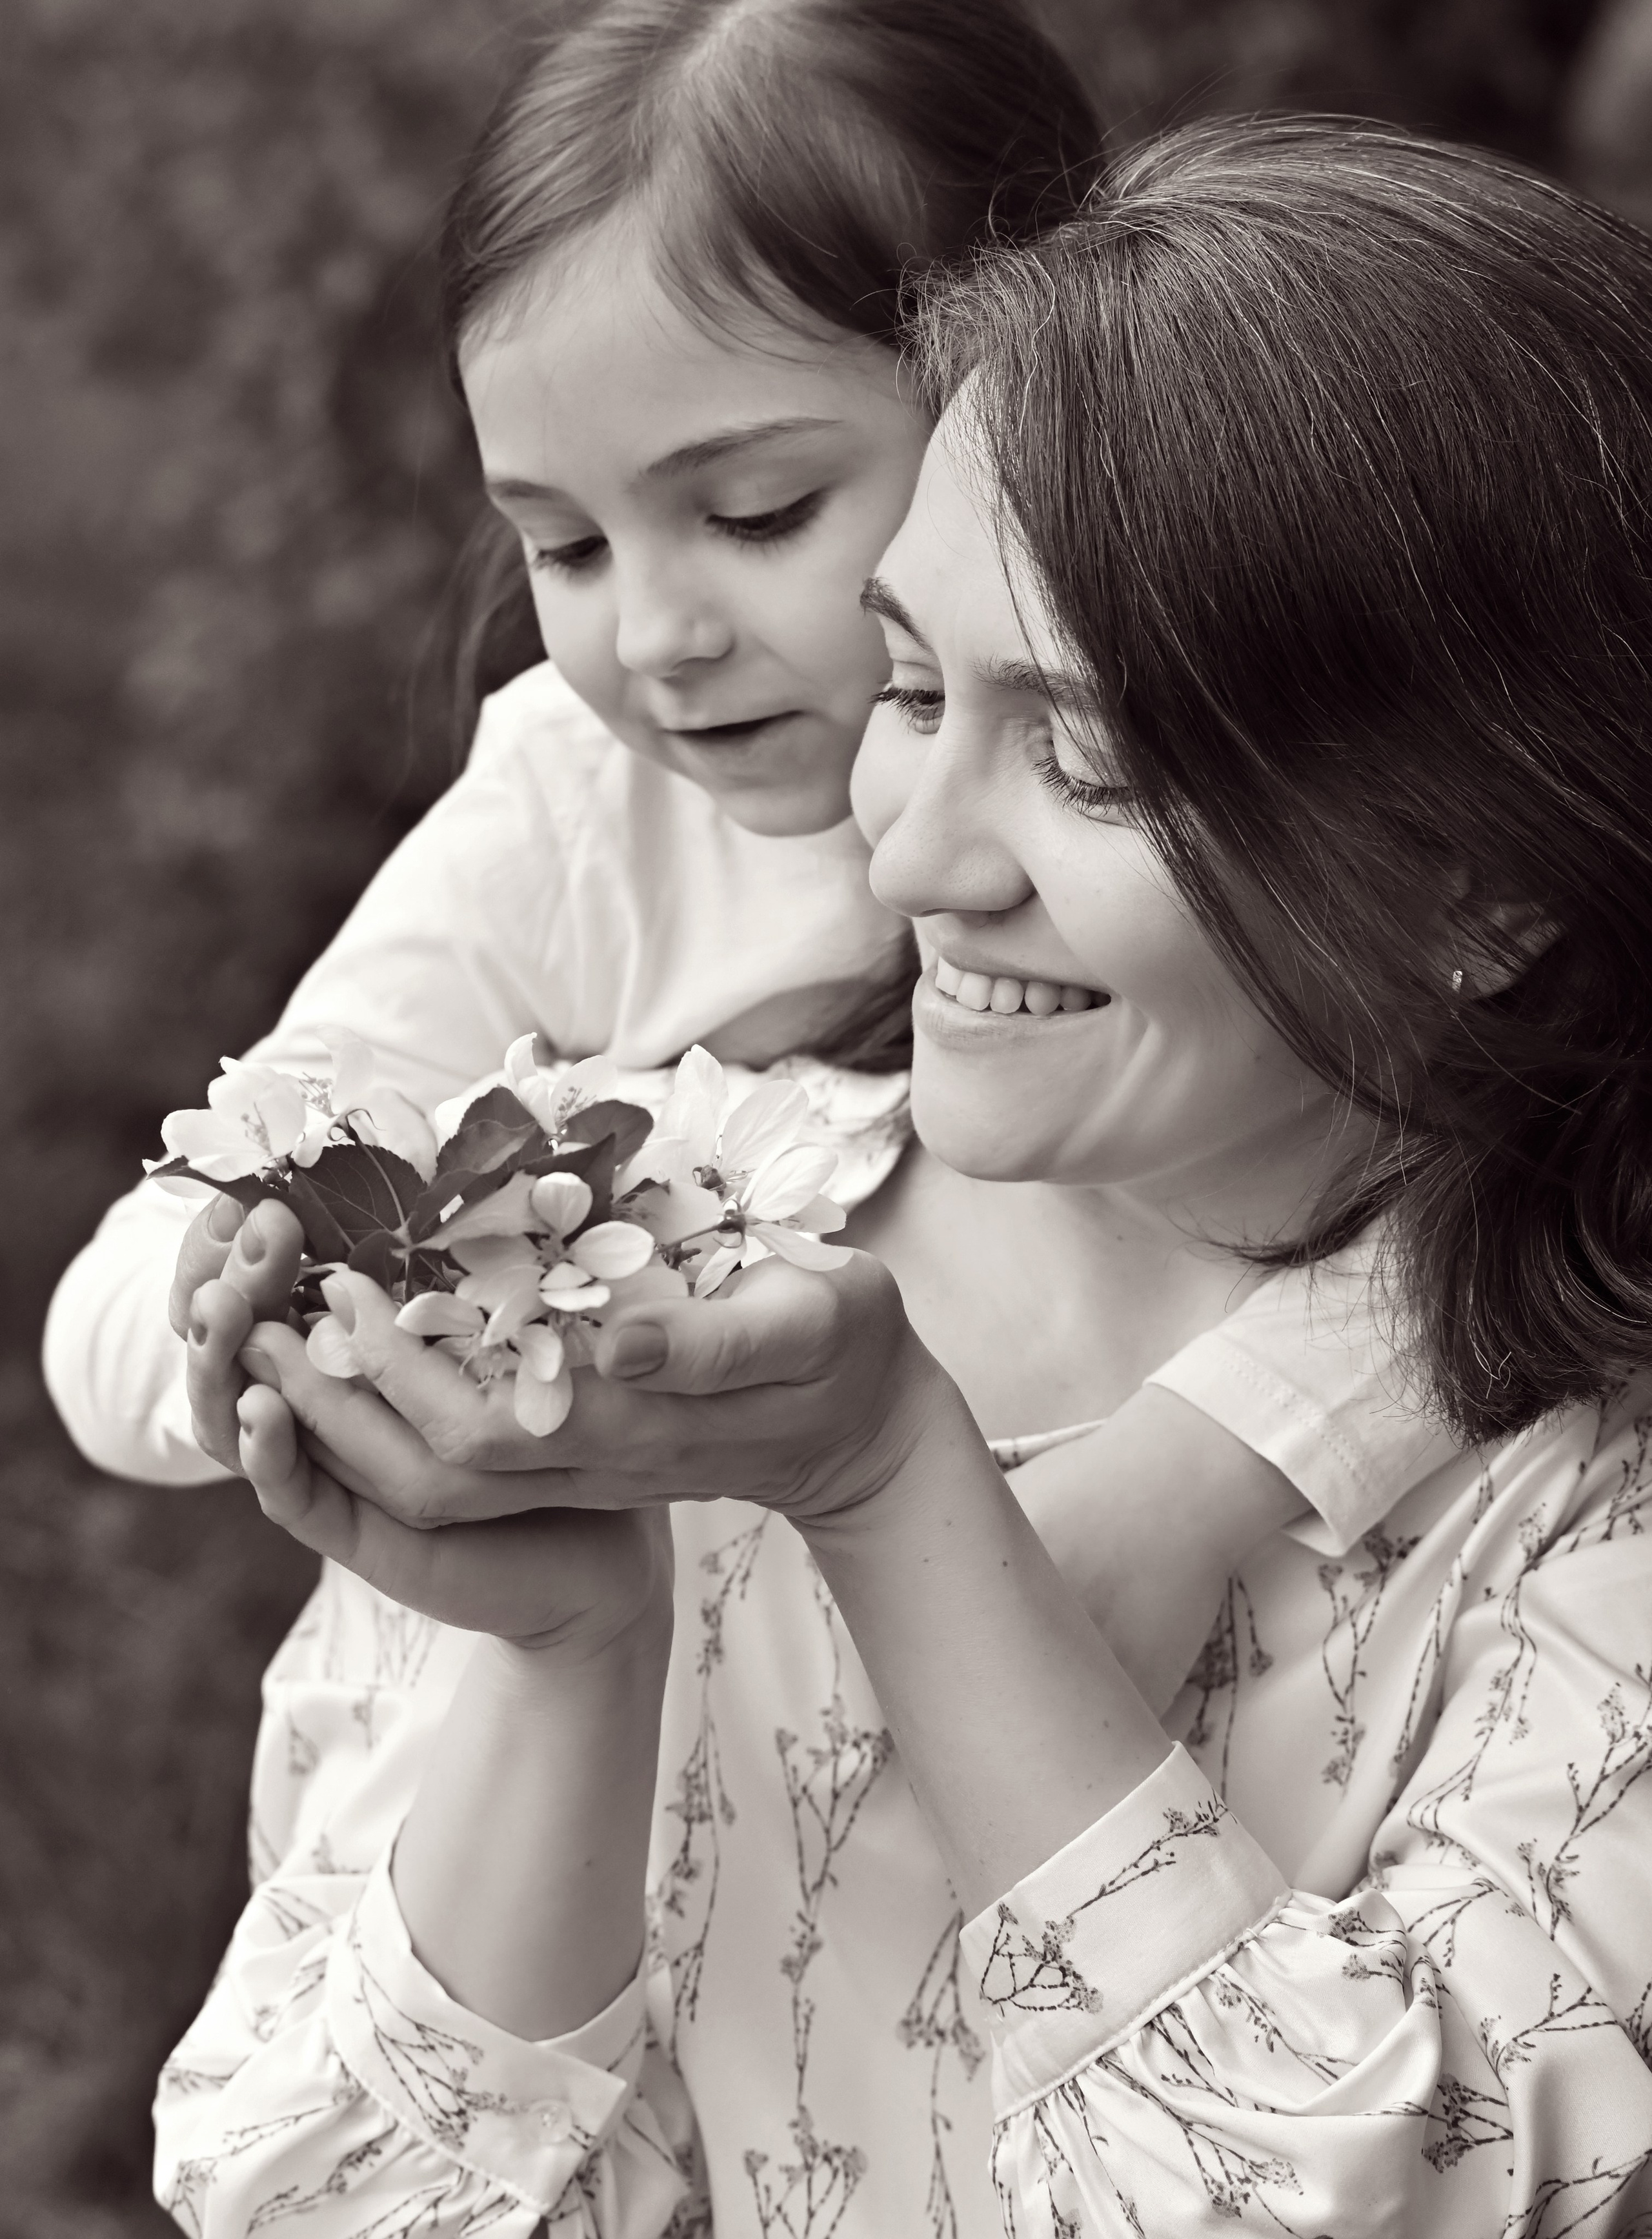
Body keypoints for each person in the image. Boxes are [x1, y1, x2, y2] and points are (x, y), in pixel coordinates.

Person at [194, 119, 1652, 2236]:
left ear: (1484, 887)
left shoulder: (1579, 1527)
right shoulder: (608, 1270)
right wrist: (568, 1660)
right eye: (905, 687)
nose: (913, 853)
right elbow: (315, 2205)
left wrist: (892, 1486)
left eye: (1085, 760)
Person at [43, 0, 1451, 1708]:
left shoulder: (1242, 776)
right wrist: (263, 1312)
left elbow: (1543, 1160)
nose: (655, 635)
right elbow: (120, 1313)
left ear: (1034, 382)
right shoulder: (582, 813)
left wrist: (1222, 1451)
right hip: (624, 1750)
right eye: (560, 544)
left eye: (758, 514)